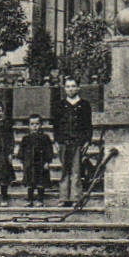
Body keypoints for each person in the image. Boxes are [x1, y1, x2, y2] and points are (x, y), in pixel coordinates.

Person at [51, 78, 93, 206]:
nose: (71, 89)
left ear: (78, 88)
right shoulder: (60, 105)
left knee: (76, 171)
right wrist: (56, 141)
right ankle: (63, 198)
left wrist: (87, 141)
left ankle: (76, 198)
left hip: (78, 142)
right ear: (64, 88)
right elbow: (56, 125)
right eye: (68, 86)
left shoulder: (84, 105)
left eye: (73, 86)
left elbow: (88, 124)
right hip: (64, 142)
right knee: (65, 171)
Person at [18, 114, 55, 206]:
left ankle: (40, 200)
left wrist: (47, 162)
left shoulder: (45, 138)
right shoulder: (26, 138)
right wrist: (22, 162)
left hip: (41, 163)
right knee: (30, 182)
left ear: (41, 125)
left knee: (40, 182)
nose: (35, 126)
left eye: (37, 124)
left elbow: (49, 150)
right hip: (29, 163)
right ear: (29, 126)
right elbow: (21, 151)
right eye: (32, 124)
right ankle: (29, 200)